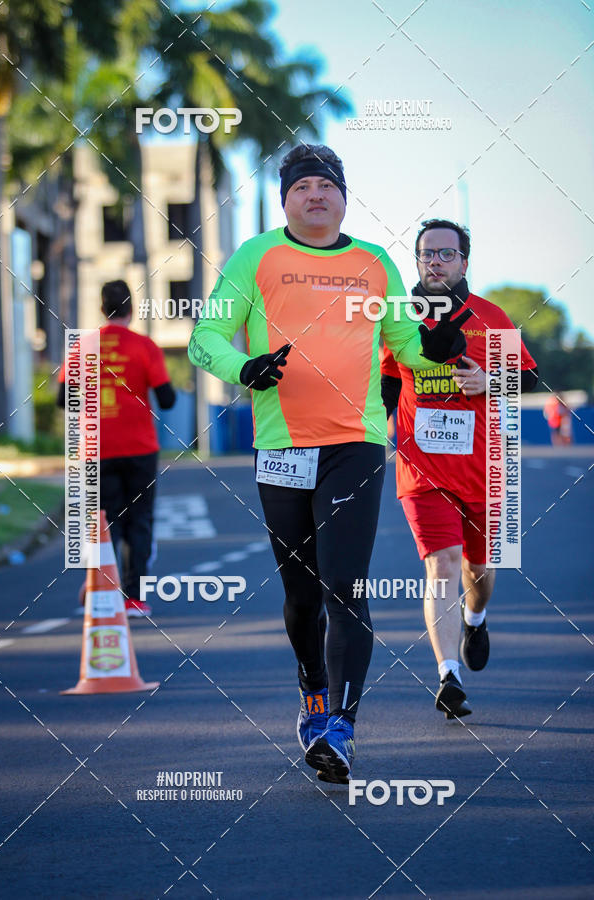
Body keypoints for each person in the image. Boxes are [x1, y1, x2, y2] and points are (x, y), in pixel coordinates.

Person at [188, 145, 470, 782]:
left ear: (343, 197)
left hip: (356, 443)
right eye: (302, 186)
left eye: (326, 185)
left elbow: (405, 347)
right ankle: (312, 691)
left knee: (345, 587)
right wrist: (244, 368)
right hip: (281, 447)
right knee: (301, 593)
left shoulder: (372, 263)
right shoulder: (256, 256)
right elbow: (204, 339)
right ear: (285, 200)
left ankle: (340, 728)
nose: (315, 194)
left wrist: (438, 350)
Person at [381, 219, 538, 719]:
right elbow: (386, 384)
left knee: (479, 568)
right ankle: (448, 675)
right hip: (422, 470)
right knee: (442, 563)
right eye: (426, 253)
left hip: (486, 469)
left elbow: (530, 381)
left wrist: (490, 381)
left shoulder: (491, 317)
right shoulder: (398, 319)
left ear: (463, 262)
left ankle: (476, 616)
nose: (435, 261)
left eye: (446, 253)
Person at [58, 280, 176, 617]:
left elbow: (64, 399)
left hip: (97, 448)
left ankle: (102, 592)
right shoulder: (145, 346)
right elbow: (167, 399)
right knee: (140, 520)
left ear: (101, 308)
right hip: (139, 447)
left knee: (103, 521)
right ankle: (134, 598)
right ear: (131, 309)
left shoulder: (83, 345)